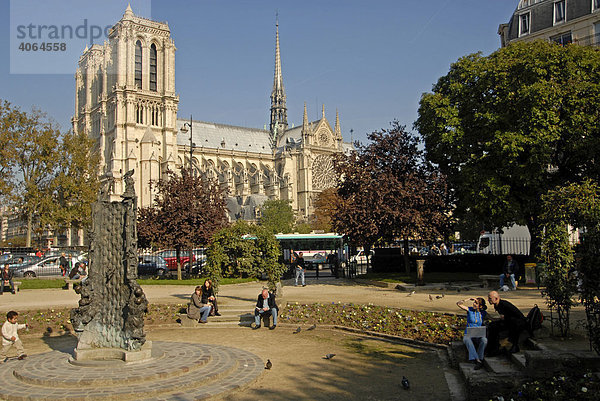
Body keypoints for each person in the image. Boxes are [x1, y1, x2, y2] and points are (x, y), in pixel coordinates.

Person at [486, 290, 528, 355]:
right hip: (508, 322)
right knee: (492, 326)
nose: (488, 300)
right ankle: (492, 349)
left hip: (517, 323)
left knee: (496, 327)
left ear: (496, 298)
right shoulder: (497, 305)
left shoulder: (504, 304)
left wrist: (505, 317)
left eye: (490, 298)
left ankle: (514, 346)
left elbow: (518, 316)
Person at [457, 297, 488, 370]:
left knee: (484, 340)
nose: (474, 304)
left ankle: (480, 357)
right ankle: (477, 360)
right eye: (474, 302)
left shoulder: (483, 313)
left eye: (476, 303)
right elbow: (458, 304)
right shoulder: (469, 310)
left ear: (480, 306)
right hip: (469, 333)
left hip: (478, 333)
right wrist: (467, 299)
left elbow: (492, 318)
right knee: (467, 340)